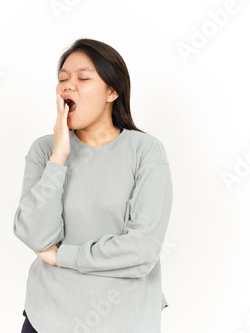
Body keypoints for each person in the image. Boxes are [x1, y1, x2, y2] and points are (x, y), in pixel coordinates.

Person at [13, 38, 173, 333]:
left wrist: (62, 256)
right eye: (63, 79)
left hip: (125, 320)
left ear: (113, 91)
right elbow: (36, 236)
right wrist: (58, 157)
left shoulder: (146, 151)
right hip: (46, 318)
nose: (67, 86)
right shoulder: (44, 150)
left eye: (83, 78)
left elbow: (141, 252)